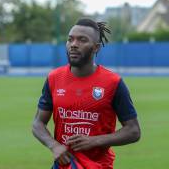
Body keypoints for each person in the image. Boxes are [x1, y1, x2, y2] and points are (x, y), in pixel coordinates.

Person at [32, 18, 141, 169]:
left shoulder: (113, 83)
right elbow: (38, 123)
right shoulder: (54, 78)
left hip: (98, 165)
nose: (74, 44)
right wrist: (54, 145)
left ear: (96, 48)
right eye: (70, 39)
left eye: (82, 40)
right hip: (65, 165)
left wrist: (94, 141)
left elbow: (133, 131)